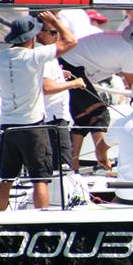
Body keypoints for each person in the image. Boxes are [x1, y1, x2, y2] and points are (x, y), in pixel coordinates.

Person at [0, 12, 77, 211]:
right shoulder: (34, 56)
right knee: (40, 178)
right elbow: (71, 41)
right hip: (32, 126)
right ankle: (42, 219)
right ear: (31, 38)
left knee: (6, 178)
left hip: (8, 126)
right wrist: (55, 22)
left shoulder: (1, 56)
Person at [60, 20, 133, 171]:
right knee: (99, 114)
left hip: (67, 63)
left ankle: (72, 166)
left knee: (83, 118)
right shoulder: (127, 52)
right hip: (72, 68)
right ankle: (103, 160)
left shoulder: (118, 40)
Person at [36, 22, 86, 170]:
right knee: (63, 165)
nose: (57, 35)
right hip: (54, 118)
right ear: (40, 34)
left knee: (58, 163)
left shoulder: (47, 56)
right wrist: (74, 83)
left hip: (54, 117)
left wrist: (59, 74)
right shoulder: (44, 55)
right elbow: (47, 87)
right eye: (53, 32)